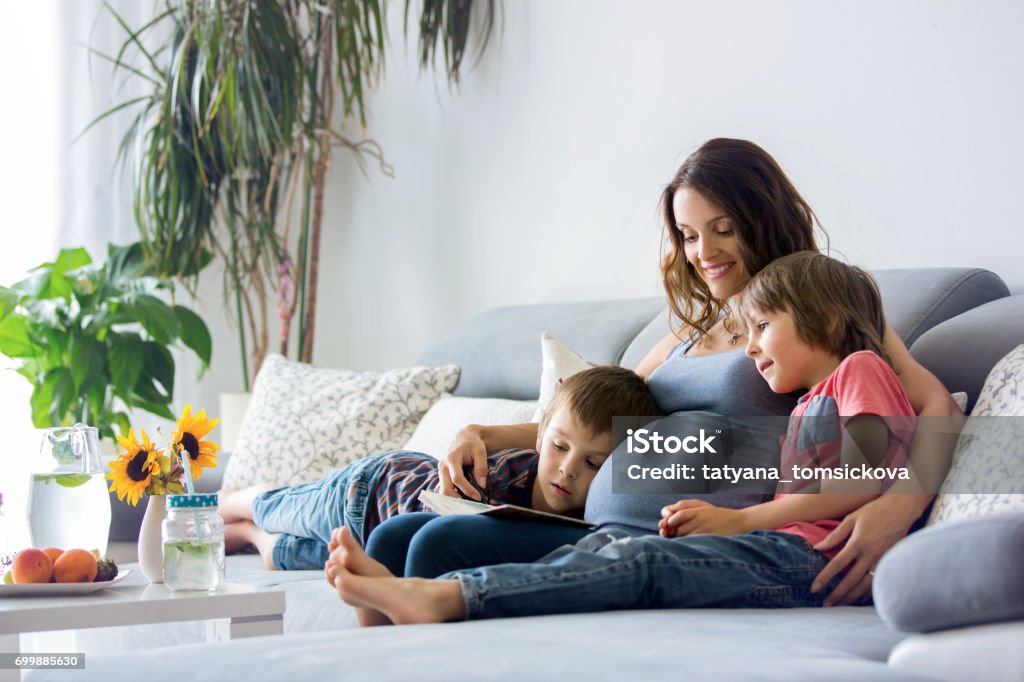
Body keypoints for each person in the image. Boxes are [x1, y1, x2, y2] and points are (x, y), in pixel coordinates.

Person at [363, 138, 959, 606]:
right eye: (690, 234)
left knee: (436, 545)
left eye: (724, 228)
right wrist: (483, 436)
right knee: (397, 537)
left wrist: (900, 504)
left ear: (764, 216)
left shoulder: (819, 314)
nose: (705, 252)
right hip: (597, 525)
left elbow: (937, 408)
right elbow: (598, 414)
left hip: (675, 542)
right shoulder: (688, 332)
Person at [324, 252, 918, 624]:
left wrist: (739, 519)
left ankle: (448, 598)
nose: (752, 343)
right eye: (686, 234)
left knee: (637, 562)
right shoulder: (808, 401)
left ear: (830, 321)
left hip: (808, 562)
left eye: (763, 327)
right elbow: (590, 412)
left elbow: (867, 480)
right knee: (596, 554)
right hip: (779, 546)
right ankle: (399, 621)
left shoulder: (861, 369)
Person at [218, 365, 661, 570]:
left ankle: (246, 536)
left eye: (592, 464)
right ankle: (236, 500)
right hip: (368, 491)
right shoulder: (504, 476)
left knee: (284, 555)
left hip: (370, 540)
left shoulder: (589, 522)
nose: (566, 470)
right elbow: (429, 536)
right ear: (541, 433)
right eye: (559, 447)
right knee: (275, 507)